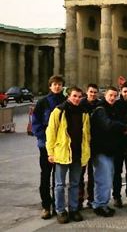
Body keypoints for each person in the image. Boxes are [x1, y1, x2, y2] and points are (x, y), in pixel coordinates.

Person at [45, 86, 90, 224]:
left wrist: (86, 152)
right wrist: (50, 152)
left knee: (75, 184)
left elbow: (87, 135)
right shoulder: (59, 111)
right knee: (59, 185)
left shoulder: (84, 112)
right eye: (74, 96)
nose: (77, 99)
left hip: (78, 154)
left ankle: (73, 209)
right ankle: (60, 210)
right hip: (62, 153)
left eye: (79, 96)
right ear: (68, 96)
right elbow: (51, 133)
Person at [90, 87, 127, 217]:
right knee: (104, 178)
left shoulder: (111, 108)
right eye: (110, 95)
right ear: (105, 95)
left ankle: (102, 203)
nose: (112, 98)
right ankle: (99, 205)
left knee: (106, 177)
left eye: (115, 96)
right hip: (101, 150)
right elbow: (107, 125)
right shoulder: (101, 109)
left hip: (109, 149)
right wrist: (124, 127)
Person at [31, 75, 66, 219]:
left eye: (59, 84)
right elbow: (35, 123)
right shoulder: (43, 102)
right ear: (50, 86)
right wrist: (46, 140)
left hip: (62, 146)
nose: (57, 87)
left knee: (58, 178)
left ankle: (58, 206)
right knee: (45, 176)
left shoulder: (66, 102)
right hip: (45, 146)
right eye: (54, 84)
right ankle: (46, 206)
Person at [112, 82, 127, 208]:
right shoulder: (116, 105)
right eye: (125, 91)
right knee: (117, 172)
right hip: (119, 144)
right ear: (121, 92)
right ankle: (116, 196)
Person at [78, 83, 100, 210]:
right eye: (91, 92)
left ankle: (91, 199)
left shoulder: (100, 105)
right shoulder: (80, 105)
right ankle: (79, 200)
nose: (93, 94)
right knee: (79, 174)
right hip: (81, 144)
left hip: (95, 144)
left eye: (95, 92)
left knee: (93, 174)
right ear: (87, 92)